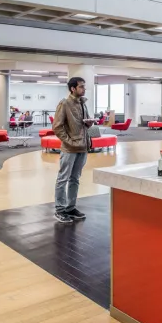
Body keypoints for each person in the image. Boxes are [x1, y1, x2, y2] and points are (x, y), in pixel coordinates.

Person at [52, 76, 95, 223]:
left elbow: (83, 123)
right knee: (63, 178)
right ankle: (60, 209)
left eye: (84, 86)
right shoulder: (64, 104)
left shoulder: (83, 103)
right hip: (69, 149)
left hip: (83, 147)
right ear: (73, 88)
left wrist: (88, 123)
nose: (84, 89)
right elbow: (57, 127)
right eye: (81, 86)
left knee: (75, 179)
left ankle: (70, 207)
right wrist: (69, 141)